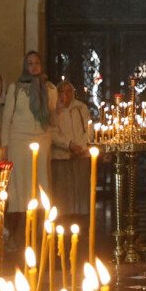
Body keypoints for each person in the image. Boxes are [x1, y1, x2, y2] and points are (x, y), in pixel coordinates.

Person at [1, 51, 57, 225]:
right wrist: (5, 144)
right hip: (19, 139)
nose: (34, 66)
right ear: (25, 65)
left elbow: (53, 117)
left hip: (42, 137)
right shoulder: (15, 88)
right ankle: (19, 221)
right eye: (30, 63)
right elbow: (7, 117)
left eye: (37, 63)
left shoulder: (50, 88)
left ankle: (40, 220)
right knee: (20, 180)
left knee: (41, 177)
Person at [50, 81, 91, 217]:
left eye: (68, 91)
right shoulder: (54, 109)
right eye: (62, 91)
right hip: (62, 155)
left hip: (81, 154)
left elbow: (88, 129)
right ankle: (63, 217)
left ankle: (81, 217)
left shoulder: (81, 107)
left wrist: (80, 147)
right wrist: (69, 145)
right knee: (63, 191)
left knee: (80, 188)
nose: (65, 95)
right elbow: (52, 132)